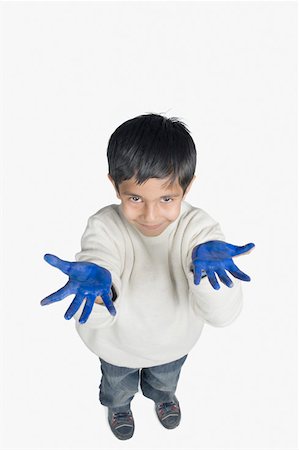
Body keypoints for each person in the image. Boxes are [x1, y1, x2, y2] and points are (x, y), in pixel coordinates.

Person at [41, 113, 255, 440]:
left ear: (188, 186)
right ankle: (119, 406)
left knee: (165, 381)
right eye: (136, 198)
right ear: (115, 185)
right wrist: (100, 291)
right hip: (117, 347)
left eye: (167, 199)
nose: (151, 215)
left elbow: (222, 316)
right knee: (116, 386)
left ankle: (163, 398)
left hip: (173, 345)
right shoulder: (105, 226)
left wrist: (204, 278)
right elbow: (101, 263)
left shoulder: (200, 232)